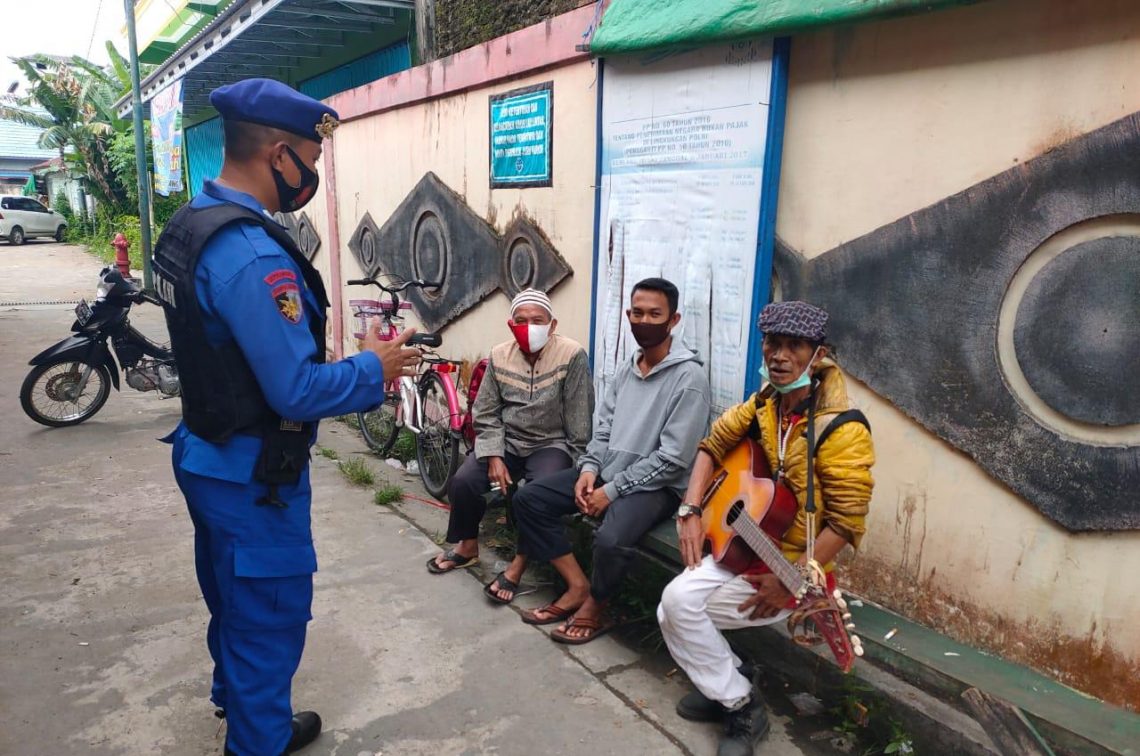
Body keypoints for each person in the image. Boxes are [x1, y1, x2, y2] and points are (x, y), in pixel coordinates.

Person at [152, 78, 421, 756]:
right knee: (268, 615)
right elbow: (295, 390)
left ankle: (237, 704)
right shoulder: (251, 255)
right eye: (312, 157)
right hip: (251, 472)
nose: (314, 173)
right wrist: (375, 369)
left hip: (206, 449)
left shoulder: (192, 222)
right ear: (279, 156)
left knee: (230, 594)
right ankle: (257, 740)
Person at [657, 301, 875, 756]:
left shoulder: (842, 428)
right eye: (772, 344)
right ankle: (735, 686)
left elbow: (846, 522)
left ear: (819, 355)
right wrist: (691, 509)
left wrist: (791, 577)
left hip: (792, 567)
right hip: (746, 543)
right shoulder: (765, 405)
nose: (779, 356)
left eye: (793, 346)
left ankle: (741, 704)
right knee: (673, 606)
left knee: (678, 609)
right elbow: (712, 445)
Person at [503, 277, 712, 644]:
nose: (644, 321)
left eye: (655, 314)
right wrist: (588, 470)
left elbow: (674, 458)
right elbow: (603, 430)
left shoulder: (689, 377)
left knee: (611, 539)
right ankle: (578, 585)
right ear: (628, 315)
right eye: (637, 313)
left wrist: (611, 491)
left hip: (658, 487)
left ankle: (596, 607)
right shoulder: (626, 369)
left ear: (673, 320)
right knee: (529, 499)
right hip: (610, 474)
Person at [427, 289, 593, 593]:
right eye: (521, 320)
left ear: (552, 324)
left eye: (537, 320)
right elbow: (486, 412)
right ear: (510, 324)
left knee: (534, 496)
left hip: (550, 443)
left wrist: (581, 465)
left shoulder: (572, 355)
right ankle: (467, 547)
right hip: (507, 441)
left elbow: (580, 419)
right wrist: (493, 456)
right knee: (463, 482)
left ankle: (519, 563)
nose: (529, 326)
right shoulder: (500, 355)